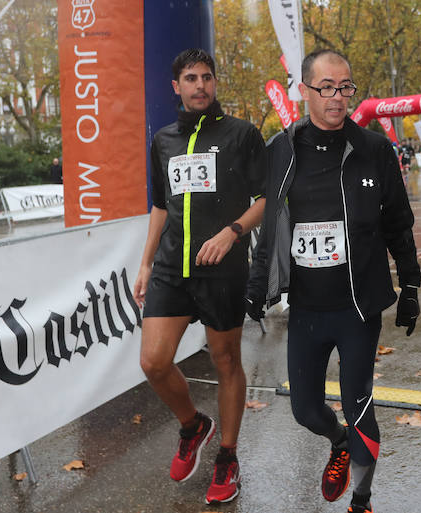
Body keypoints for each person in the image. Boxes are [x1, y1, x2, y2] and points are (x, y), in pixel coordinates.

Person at [245, 49, 421, 513]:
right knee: (304, 409)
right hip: (306, 306)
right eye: (326, 87)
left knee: (359, 402)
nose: (337, 97)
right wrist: (255, 283)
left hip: (360, 306)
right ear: (303, 90)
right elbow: (268, 221)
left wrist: (411, 286)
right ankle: (337, 441)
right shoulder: (280, 149)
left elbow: (398, 223)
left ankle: (361, 499)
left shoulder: (375, 149)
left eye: (346, 87)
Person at [132, 48, 267, 505]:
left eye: (207, 77)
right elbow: (159, 204)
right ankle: (193, 425)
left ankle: (227, 456)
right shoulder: (163, 139)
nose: (200, 86)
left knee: (226, 361)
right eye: (190, 78)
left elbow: (268, 198)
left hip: (222, 268)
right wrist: (147, 261)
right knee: (153, 361)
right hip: (173, 266)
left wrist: (233, 233)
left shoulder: (241, 134)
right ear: (177, 86)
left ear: (214, 82)